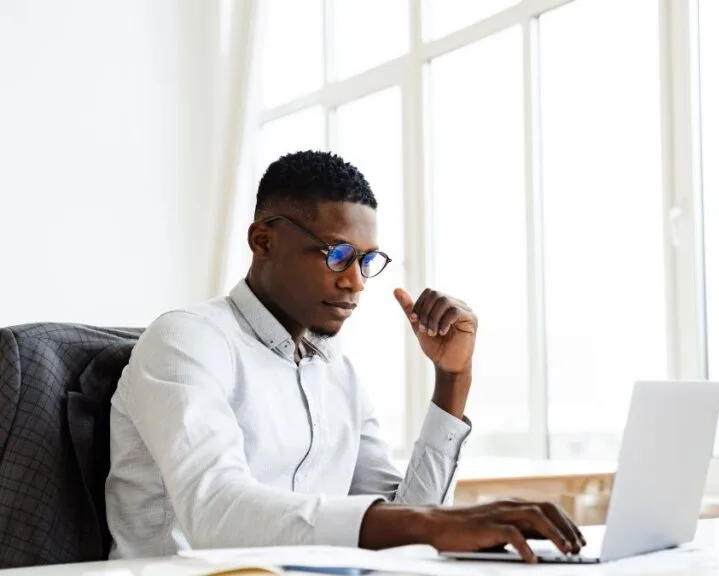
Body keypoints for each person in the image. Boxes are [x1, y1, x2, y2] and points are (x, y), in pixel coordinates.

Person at [105, 151, 584, 563]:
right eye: (336, 255)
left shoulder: (339, 373)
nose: (355, 282)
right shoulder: (186, 341)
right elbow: (217, 513)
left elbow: (409, 525)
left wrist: (452, 379)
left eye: (366, 261)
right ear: (263, 241)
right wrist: (432, 524)